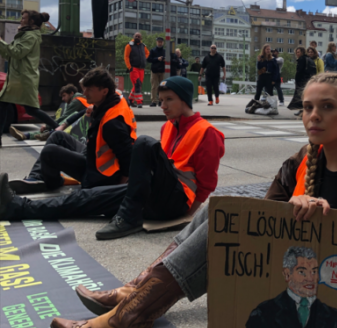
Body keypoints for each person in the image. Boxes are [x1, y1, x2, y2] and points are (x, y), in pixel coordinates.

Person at [32, 72, 337, 328]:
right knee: (220, 211)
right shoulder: (301, 160)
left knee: (222, 222)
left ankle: (131, 318)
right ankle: (138, 295)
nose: (313, 116)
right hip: (291, 269)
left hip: (332, 285)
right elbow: (259, 216)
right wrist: (291, 206)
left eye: (327, 107)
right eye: (307, 107)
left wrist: (332, 215)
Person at [1, 76, 225, 241]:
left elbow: (206, 183)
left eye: (169, 100)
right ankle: (17, 207)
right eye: (161, 100)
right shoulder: (168, 127)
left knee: (144, 143)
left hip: (176, 199)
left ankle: (128, 217)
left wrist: (188, 214)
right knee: (86, 198)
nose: (163, 106)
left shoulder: (207, 132)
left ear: (185, 100)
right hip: (151, 191)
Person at [7, 68, 136, 196]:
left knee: (49, 152)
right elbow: (81, 113)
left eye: (89, 89)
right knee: (58, 136)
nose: (84, 93)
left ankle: (53, 182)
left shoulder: (112, 123)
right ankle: (35, 177)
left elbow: (127, 157)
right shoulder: (110, 100)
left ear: (104, 91)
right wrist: (64, 124)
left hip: (95, 172)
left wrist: (119, 190)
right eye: (84, 88)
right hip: (92, 155)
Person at [246, 246, 337, 328]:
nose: (310, 279)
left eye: (314, 271)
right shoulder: (262, 316)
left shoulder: (336, 319)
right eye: (302, 272)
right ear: (287, 274)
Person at [0, 10, 58, 147]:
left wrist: (1, 43)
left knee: (31, 109)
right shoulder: (24, 35)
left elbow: (17, 53)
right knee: (5, 106)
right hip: (18, 78)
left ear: (31, 22)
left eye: (23, 18)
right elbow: (12, 55)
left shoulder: (30, 36)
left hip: (22, 79)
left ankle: (60, 128)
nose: (21, 20)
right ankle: (59, 128)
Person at [9, 83, 89, 142]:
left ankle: (29, 135)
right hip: (82, 123)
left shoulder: (77, 101)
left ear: (71, 93)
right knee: (57, 125)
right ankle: (27, 135)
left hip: (84, 124)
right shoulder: (78, 99)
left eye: (64, 96)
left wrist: (48, 125)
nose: (63, 99)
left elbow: (66, 116)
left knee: (64, 121)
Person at [125, 32, 149, 108]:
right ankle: (139, 102)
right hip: (133, 68)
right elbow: (126, 57)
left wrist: (144, 59)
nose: (137, 37)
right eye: (136, 36)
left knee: (137, 85)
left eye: (139, 36)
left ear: (141, 38)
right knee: (137, 84)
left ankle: (130, 100)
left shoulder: (143, 46)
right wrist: (129, 67)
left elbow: (148, 53)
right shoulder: (129, 46)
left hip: (141, 68)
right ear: (133, 36)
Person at [288, 46, 315, 111]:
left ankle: (301, 109)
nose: (297, 54)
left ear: (302, 52)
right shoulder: (309, 59)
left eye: (298, 52)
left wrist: (297, 79)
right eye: (296, 52)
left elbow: (299, 71)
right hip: (308, 79)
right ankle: (303, 109)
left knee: (300, 96)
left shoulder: (301, 59)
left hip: (302, 80)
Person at [148, 37, 165, 107]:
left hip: (163, 70)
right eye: (159, 42)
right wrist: (157, 59)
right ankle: (154, 101)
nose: (160, 43)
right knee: (154, 86)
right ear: (156, 42)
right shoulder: (153, 50)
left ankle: (161, 101)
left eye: (161, 42)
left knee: (163, 87)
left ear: (163, 43)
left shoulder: (165, 51)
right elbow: (148, 59)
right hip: (154, 70)